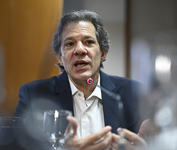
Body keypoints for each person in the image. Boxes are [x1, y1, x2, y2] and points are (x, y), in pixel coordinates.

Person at [15, 10, 147, 150]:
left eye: (88, 42)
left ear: (102, 53)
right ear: (60, 57)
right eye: (70, 44)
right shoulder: (34, 95)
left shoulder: (133, 93)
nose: (79, 50)